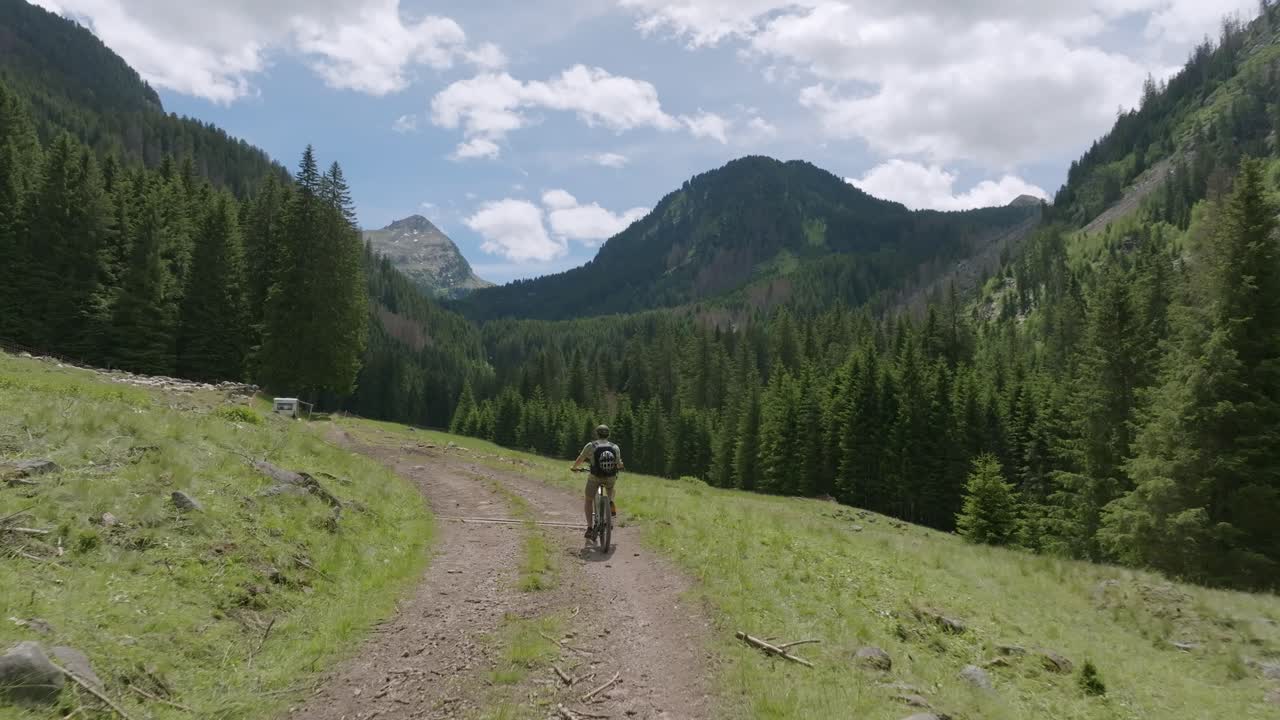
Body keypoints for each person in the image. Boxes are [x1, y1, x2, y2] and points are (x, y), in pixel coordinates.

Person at [570, 424, 624, 538]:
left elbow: (581, 458)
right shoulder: (615, 447)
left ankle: (590, 528)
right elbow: (619, 464)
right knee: (611, 490)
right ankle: (610, 506)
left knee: (589, 500)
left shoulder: (591, 446)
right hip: (610, 477)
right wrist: (620, 466)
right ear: (608, 434)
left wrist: (574, 467)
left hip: (595, 477)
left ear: (597, 434)